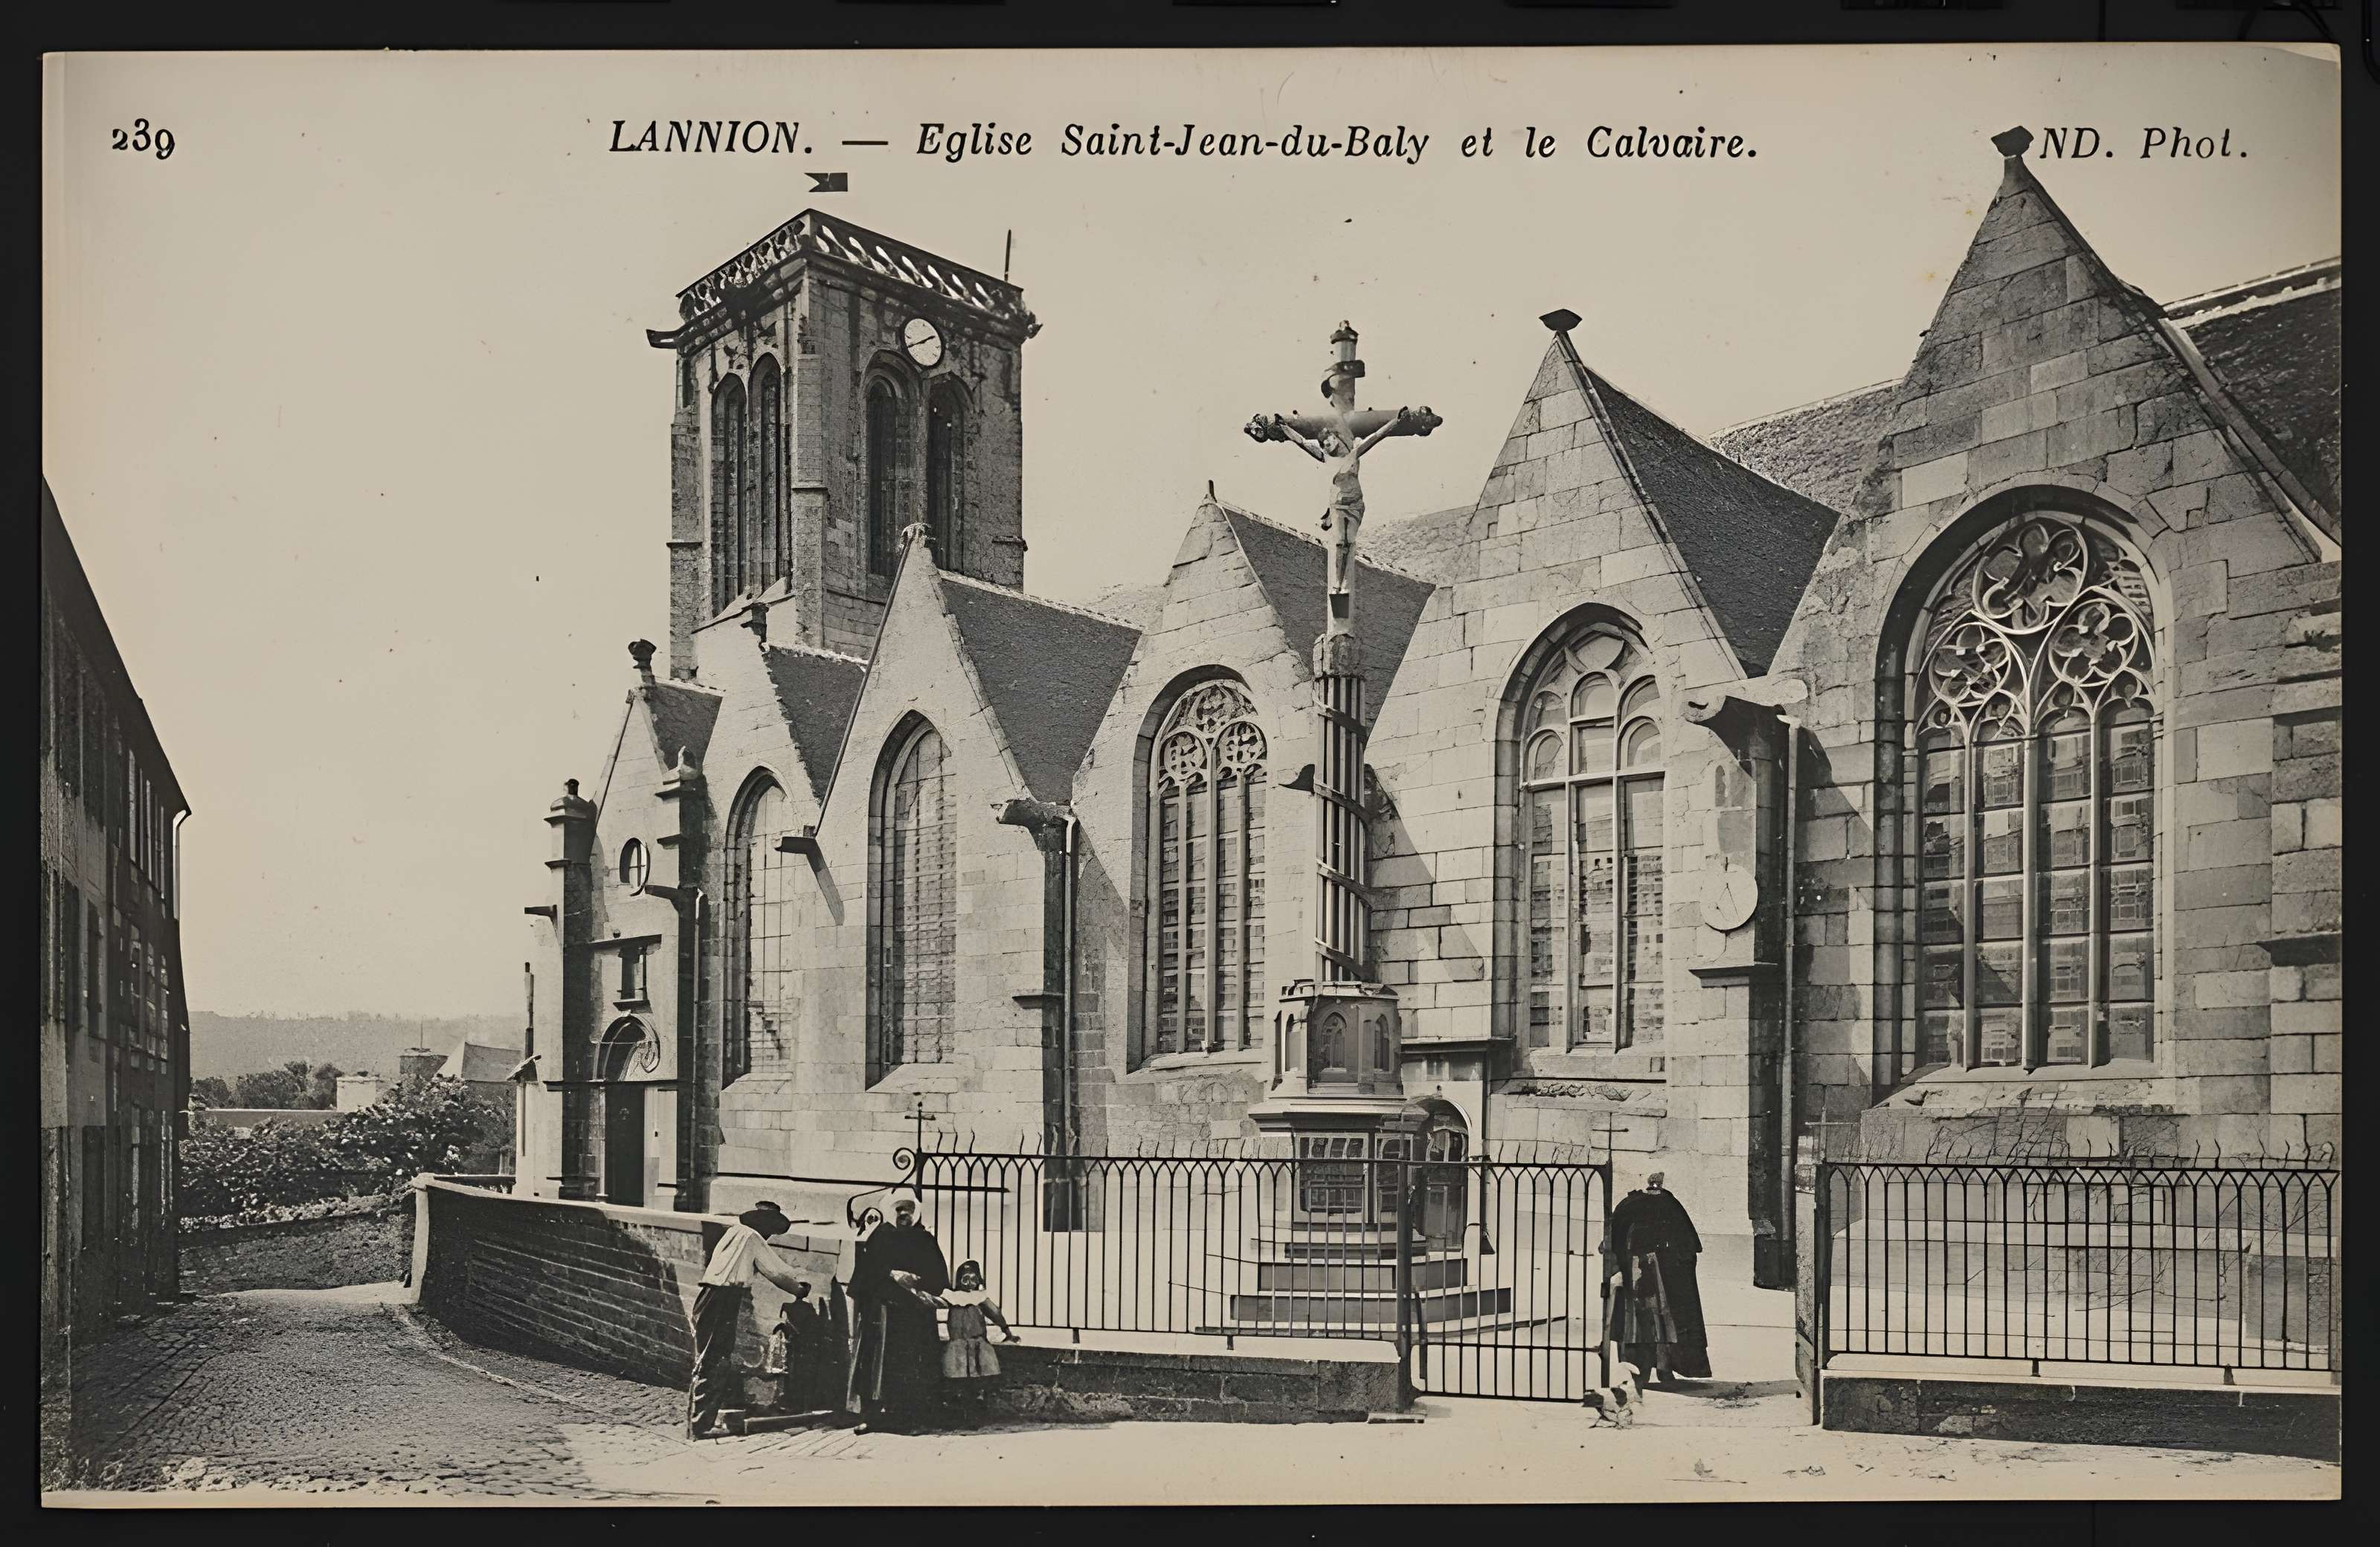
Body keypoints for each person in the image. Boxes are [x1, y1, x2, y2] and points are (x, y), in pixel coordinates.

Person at [688, 1201, 809, 1441]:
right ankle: (700, 1426)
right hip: (723, 1299)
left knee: (705, 1358)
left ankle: (696, 1421)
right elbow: (776, 1271)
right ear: (764, 1225)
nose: (769, 1236)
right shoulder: (752, 1237)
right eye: (770, 1230)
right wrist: (799, 1289)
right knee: (716, 1359)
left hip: (707, 1296)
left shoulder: (734, 1232)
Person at [846, 1191, 951, 1433]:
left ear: (916, 1213)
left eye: (909, 1209)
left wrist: (917, 1281)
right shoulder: (881, 1236)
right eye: (899, 1209)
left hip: (913, 1315)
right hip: (882, 1313)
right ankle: (870, 1417)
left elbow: (939, 1277)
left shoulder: (925, 1240)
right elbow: (866, 1271)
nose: (904, 1214)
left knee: (911, 1365)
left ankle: (910, 1420)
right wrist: (892, 1274)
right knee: (874, 1365)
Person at [1601, 1172, 1711, 1386]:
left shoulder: (1634, 1204)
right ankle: (1657, 1369)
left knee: (1653, 1323)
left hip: (1648, 1274)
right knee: (1658, 1322)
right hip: (1651, 1275)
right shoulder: (1668, 1205)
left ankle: (1657, 1368)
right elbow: (1689, 1248)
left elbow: (1611, 1242)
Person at [928, 1260, 1017, 1425]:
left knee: (978, 1382)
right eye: (965, 1279)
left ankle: (976, 1411)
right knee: (958, 1382)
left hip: (978, 1345)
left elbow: (995, 1313)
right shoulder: (952, 1297)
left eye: (973, 1279)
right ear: (958, 1281)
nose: (969, 1283)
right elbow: (933, 1302)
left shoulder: (980, 1298)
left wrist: (1007, 1331)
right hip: (958, 1346)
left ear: (979, 1280)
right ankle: (961, 1413)